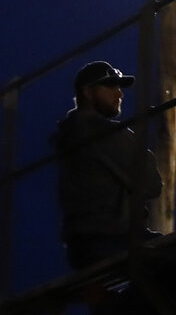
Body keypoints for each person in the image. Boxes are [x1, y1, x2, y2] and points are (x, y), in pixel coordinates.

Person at [54, 60, 161, 267]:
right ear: (87, 92)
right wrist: (142, 150)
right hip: (111, 239)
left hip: (84, 243)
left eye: (119, 87)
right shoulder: (98, 131)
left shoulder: (70, 133)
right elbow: (152, 183)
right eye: (110, 86)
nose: (119, 94)